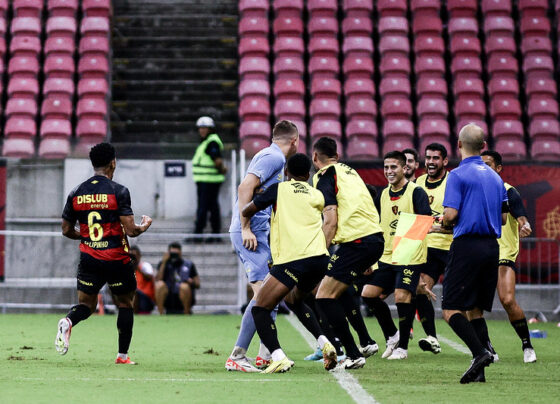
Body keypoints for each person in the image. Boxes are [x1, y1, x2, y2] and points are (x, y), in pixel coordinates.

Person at [55, 143, 153, 364]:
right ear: (113, 163)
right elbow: (131, 230)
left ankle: (69, 322)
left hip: (89, 258)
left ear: (93, 164)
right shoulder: (119, 191)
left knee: (86, 306)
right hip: (116, 258)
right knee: (125, 303)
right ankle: (122, 356)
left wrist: (89, 237)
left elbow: (66, 229)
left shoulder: (76, 192)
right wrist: (145, 225)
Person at [242, 153, 336, 373]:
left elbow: (248, 210)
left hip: (293, 260)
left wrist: (255, 197)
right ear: (308, 175)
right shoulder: (317, 194)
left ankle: (278, 356)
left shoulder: (279, 189)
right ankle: (325, 342)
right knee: (294, 300)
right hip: (320, 258)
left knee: (260, 309)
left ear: (286, 172)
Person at [226, 120, 299, 372]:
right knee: (263, 297)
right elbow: (244, 187)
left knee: (272, 295)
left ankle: (265, 356)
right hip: (251, 233)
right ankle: (238, 355)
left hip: (258, 232)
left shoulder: (270, 156)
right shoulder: (274, 158)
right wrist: (246, 226)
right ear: (294, 141)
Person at [441, 124, 509, 384]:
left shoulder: (457, 175)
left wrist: (443, 223)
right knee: (475, 310)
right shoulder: (496, 177)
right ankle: (479, 372)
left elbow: (451, 214)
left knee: (450, 309)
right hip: (491, 246)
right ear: (483, 146)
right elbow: (503, 218)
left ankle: (480, 353)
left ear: (458, 145)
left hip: (467, 245)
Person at [312, 137, 385, 370]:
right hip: (373, 238)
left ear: (315, 157)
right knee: (336, 289)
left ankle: (352, 354)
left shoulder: (325, 175)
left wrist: (319, 253)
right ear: (337, 155)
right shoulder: (350, 172)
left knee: (323, 296)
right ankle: (364, 342)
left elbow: (330, 219)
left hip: (358, 241)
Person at [361, 151, 432, 360]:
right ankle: (392, 335)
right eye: (386, 167)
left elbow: (424, 222)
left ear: (404, 168)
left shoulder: (416, 192)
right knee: (368, 294)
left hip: (409, 254)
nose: (389, 171)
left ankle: (402, 347)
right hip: (387, 256)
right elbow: (380, 226)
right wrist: (371, 259)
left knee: (402, 296)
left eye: (393, 167)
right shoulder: (383, 194)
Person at [481, 150, 536, 363]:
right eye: (481, 164)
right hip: (478, 252)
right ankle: (487, 348)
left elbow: (521, 216)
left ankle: (527, 345)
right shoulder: (474, 191)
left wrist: (526, 225)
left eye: (488, 164)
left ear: (498, 168)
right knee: (470, 306)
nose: (484, 169)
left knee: (507, 299)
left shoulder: (508, 191)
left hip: (503, 252)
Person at [414, 143, 452, 354]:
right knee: (420, 290)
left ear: (445, 161)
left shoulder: (452, 182)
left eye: (436, 158)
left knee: (460, 301)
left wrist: (438, 227)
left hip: (451, 248)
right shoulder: (419, 182)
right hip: (428, 249)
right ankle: (432, 338)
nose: (430, 162)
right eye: (428, 157)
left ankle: (484, 344)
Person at [192, 116, 227, 237]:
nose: (201, 130)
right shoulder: (208, 141)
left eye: (204, 128)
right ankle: (215, 233)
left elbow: (217, 160)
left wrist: (222, 169)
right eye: (200, 128)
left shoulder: (211, 142)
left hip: (209, 181)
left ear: (210, 129)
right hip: (207, 180)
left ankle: (198, 233)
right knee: (212, 207)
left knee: (203, 207)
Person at [154, 242, 200, 315]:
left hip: (183, 293)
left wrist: (191, 282)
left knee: (184, 287)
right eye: (172, 254)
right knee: (159, 285)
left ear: (180, 253)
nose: (174, 256)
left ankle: (186, 313)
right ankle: (161, 313)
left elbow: (198, 284)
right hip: (168, 294)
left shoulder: (189, 264)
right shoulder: (163, 263)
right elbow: (158, 279)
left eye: (176, 254)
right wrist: (164, 262)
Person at [130, 245, 156, 314]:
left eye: (134, 256)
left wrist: (137, 267)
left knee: (134, 292)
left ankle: (133, 315)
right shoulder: (127, 268)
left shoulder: (145, 266)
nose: (133, 259)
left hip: (146, 296)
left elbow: (149, 277)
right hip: (131, 294)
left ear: (139, 256)